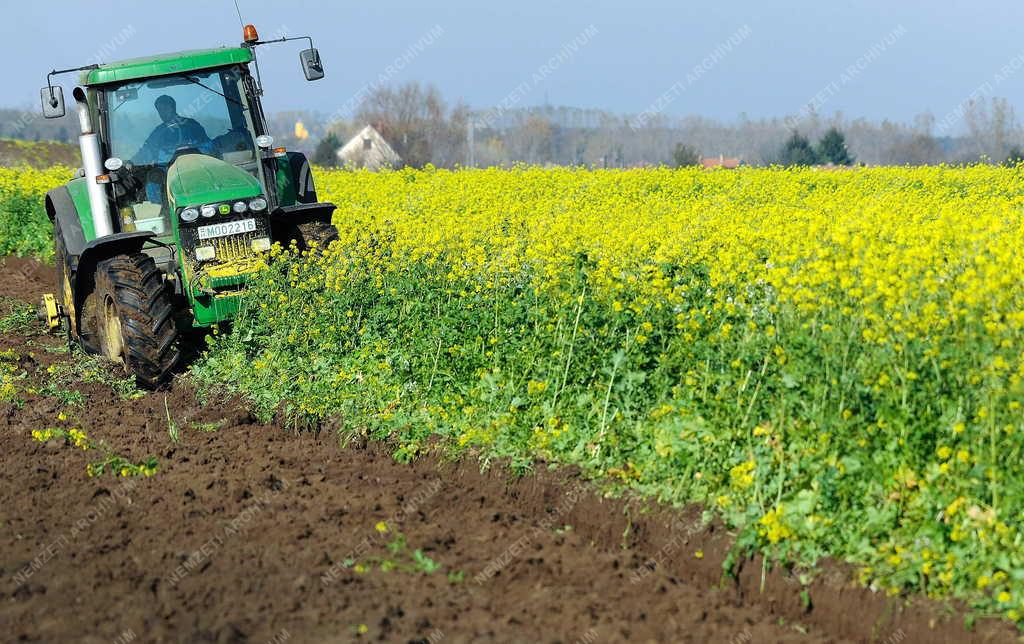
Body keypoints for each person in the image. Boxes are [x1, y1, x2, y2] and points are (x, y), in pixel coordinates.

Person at [132, 95, 211, 165]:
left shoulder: (191, 125)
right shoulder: (159, 132)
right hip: (167, 173)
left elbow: (207, 145)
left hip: (195, 166)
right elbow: (147, 150)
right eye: (159, 110)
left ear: (172, 108)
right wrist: (132, 162)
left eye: (165, 108)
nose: (162, 112)